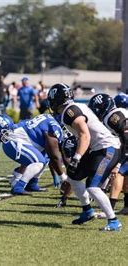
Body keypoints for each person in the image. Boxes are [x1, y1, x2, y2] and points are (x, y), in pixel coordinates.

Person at [47, 83, 122, 231]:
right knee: (73, 175)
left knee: (93, 186)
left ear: (56, 100)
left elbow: (84, 135)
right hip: (98, 148)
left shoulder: (70, 111)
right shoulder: (73, 109)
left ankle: (113, 221)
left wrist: (77, 157)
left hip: (107, 148)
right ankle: (87, 210)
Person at [0, 114, 66, 195]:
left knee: (44, 159)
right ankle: (18, 187)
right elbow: (54, 156)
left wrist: (55, 175)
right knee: (39, 162)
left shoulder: (48, 118)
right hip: (13, 141)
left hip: (16, 140)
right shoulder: (54, 127)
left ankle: (32, 184)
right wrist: (63, 177)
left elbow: (50, 156)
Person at [88, 93, 128, 215]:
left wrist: (119, 162)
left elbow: (126, 138)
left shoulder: (112, 117)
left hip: (126, 147)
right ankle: (126, 207)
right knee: (125, 174)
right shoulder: (118, 112)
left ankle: (109, 209)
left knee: (118, 173)